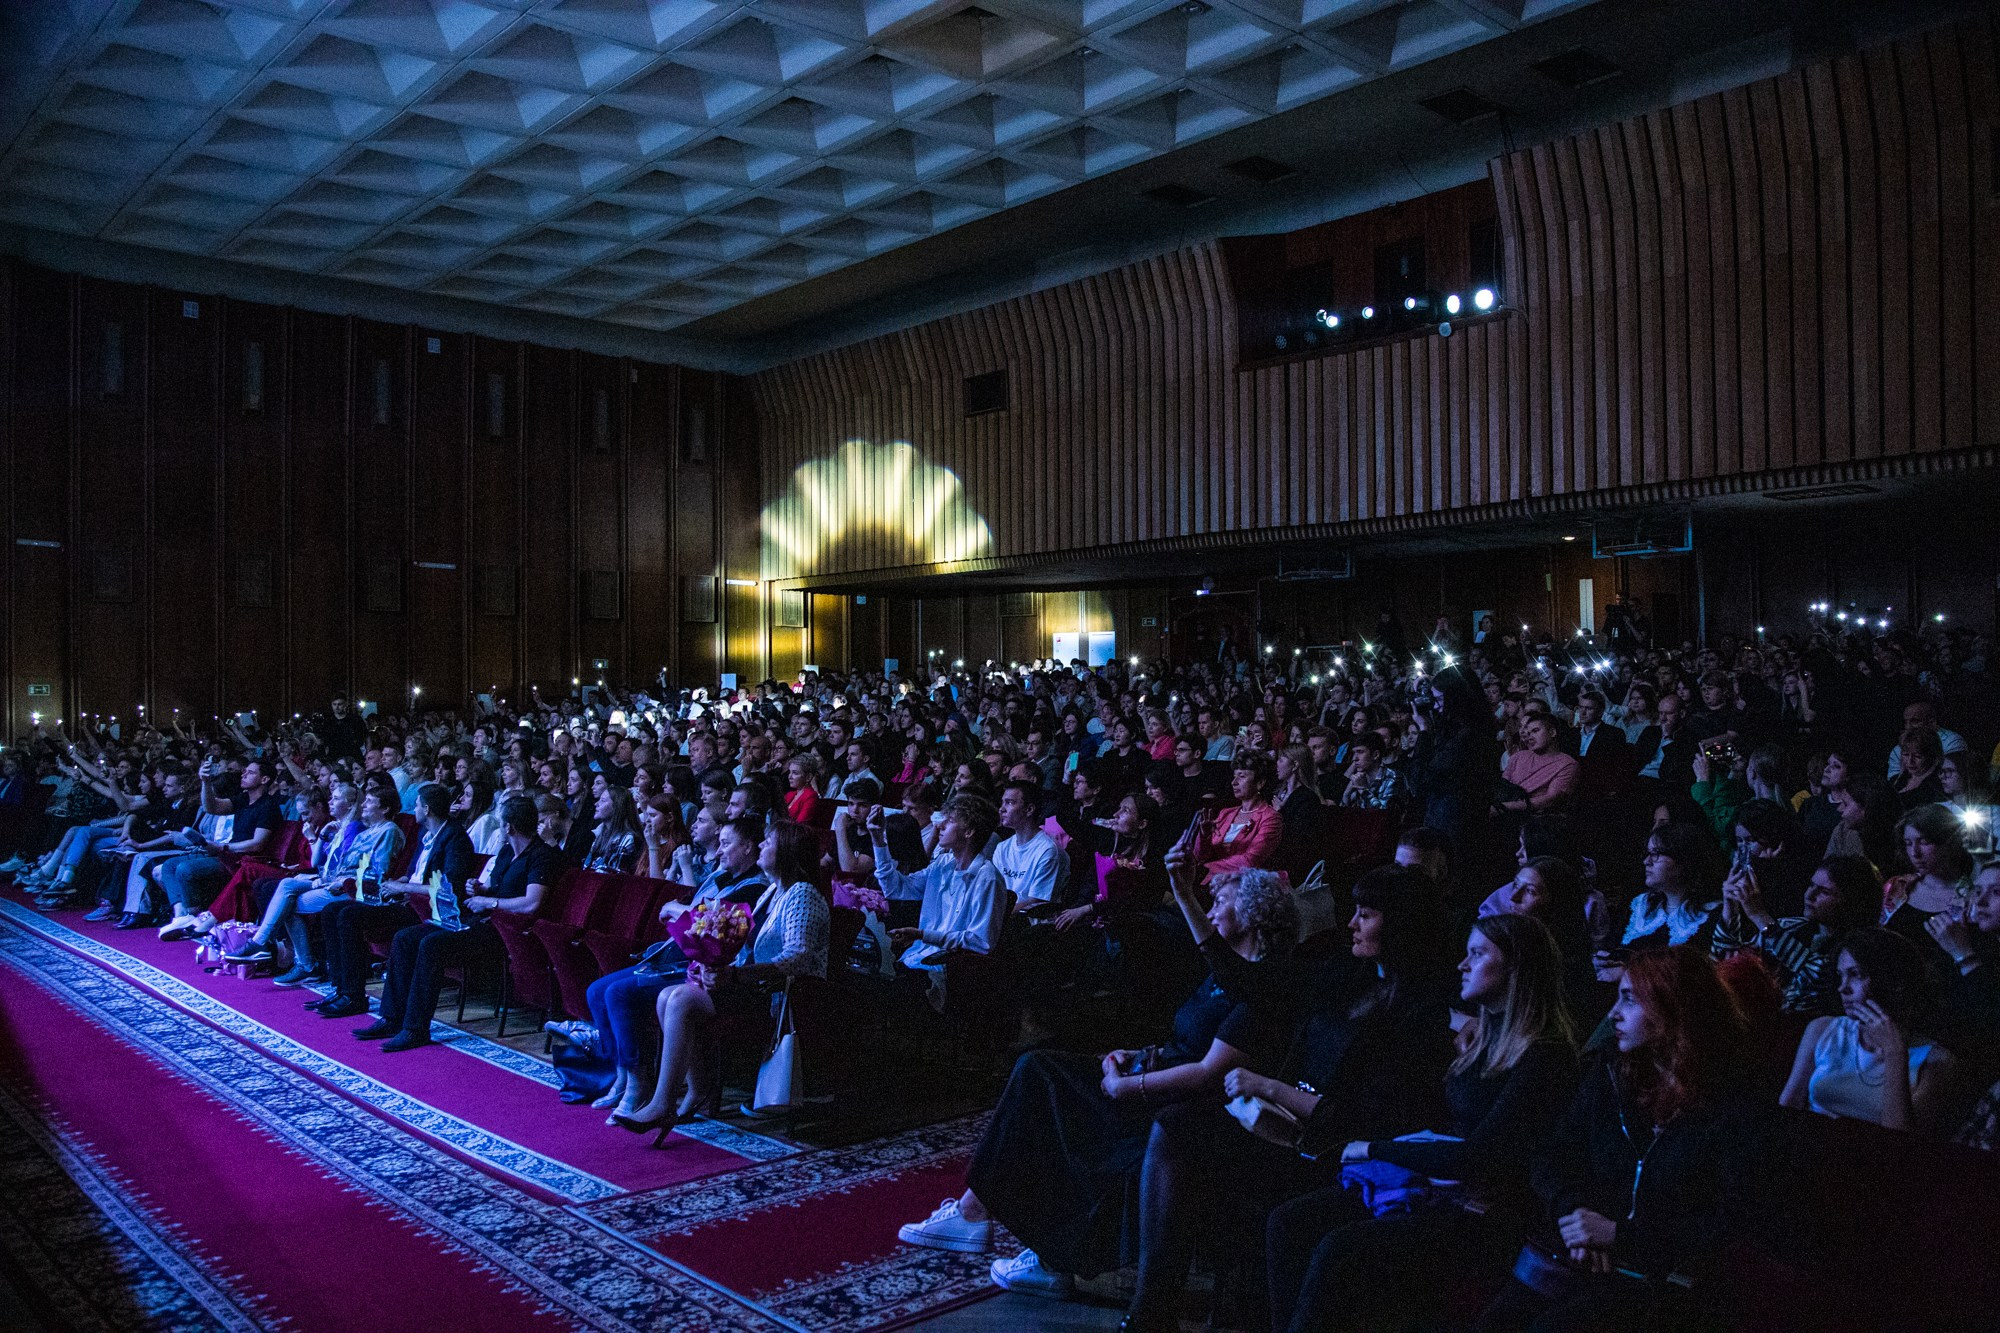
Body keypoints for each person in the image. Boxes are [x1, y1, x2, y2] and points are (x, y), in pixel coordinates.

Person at [895, 865, 1300, 1297]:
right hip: (1155, 1074)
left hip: (1182, 1106)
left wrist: (1129, 1086)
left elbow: (1209, 1074)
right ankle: (995, 1224)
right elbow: (1185, 1038)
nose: (1213, 912)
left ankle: (1027, 1245)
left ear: (1254, 913)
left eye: (1222, 902)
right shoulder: (1223, 975)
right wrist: (1137, 1055)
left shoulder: (1263, 988)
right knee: (1039, 1070)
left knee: (1047, 1090)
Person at [1122, 866, 1455, 1331]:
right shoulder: (1349, 972)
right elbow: (1251, 984)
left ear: (1399, 924)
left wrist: (1268, 1087)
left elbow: (1369, 1119)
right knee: (1177, 1122)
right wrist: (1188, 903)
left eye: (1366, 915)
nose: (1352, 924)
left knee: (1185, 1130)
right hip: (1289, 1126)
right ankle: (1152, 1311)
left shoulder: (1421, 1012)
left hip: (1337, 1150)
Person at [1266, 914, 1580, 1333]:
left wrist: (1370, 1148)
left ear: (1516, 968)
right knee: (1289, 1221)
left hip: (1488, 1212)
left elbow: (1480, 1156)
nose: (1461, 966)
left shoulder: (1546, 1055)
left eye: (1477, 954)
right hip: (1442, 1188)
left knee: (1338, 1249)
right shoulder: (1486, 1039)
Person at [1475, 947, 1762, 1333]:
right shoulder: (1613, 1073)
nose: (1613, 1015)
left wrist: (1617, 1235)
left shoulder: (1733, 1102)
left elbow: (1730, 1222)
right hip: (1582, 1253)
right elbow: (1551, 1155)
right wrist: (1574, 1215)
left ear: (1673, 1009)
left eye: (1629, 999)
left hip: (1662, 1276)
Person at [613, 820, 828, 1142]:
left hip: (784, 996)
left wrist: (737, 974)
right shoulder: (774, 889)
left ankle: (663, 1102)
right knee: (667, 996)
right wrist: (709, 964)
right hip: (755, 984)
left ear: (786, 852)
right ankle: (698, 1090)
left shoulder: (802, 893)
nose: (761, 846)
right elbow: (746, 944)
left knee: (682, 999)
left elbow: (797, 957)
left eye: (768, 842)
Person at [585, 816, 765, 1121]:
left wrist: (680, 911)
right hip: (675, 958)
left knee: (617, 993)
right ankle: (621, 1075)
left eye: (726, 844)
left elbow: (712, 920)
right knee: (596, 990)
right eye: (718, 844)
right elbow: (693, 911)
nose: (719, 852)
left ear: (748, 847)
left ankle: (638, 1080)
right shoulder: (721, 875)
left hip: (695, 969)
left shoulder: (754, 886)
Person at [353, 795, 557, 1052]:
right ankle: (392, 1018)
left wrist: (489, 902)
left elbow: (531, 903)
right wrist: (480, 888)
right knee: (405, 938)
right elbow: (496, 888)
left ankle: (415, 1028)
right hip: (480, 919)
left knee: (432, 944)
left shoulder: (542, 856)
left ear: (509, 827)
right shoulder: (507, 852)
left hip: (506, 932)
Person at [310, 783, 473, 1019]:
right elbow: (413, 872)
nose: (413, 809)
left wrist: (402, 887)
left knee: (349, 915)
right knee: (333, 909)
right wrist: (394, 885)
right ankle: (341, 988)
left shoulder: (455, 839)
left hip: (426, 908)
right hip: (407, 898)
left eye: (416, 805)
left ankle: (354, 995)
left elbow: (449, 888)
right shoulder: (425, 834)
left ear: (426, 809)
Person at [1781, 928, 1958, 1133]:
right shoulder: (1823, 1029)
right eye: (1840, 976)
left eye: (1855, 974)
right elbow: (1787, 1109)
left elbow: (1901, 1142)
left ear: (1892, 980)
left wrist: (1894, 1053)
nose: (1842, 988)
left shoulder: (1936, 1062)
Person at [225, 784, 404, 985]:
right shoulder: (365, 832)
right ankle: (272, 948)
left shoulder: (387, 831)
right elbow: (335, 864)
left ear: (385, 808)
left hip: (352, 888)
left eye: (369, 801)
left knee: (286, 903)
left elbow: (378, 871)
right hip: (335, 881)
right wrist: (323, 841)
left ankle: (296, 960)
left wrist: (337, 880)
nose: (364, 804)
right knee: (285, 887)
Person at [871, 793, 1006, 1006]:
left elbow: (980, 942)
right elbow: (896, 889)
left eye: (950, 821)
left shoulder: (987, 877)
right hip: (919, 956)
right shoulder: (943, 863)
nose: (940, 825)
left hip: (949, 968)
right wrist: (879, 840)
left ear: (969, 832)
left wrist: (923, 935)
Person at [1712, 854, 1883, 1016]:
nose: (1809, 895)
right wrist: (1730, 907)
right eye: (1811, 885)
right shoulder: (1791, 926)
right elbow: (1723, 960)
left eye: (1824, 891)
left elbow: (1819, 976)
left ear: (1851, 901)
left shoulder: (1861, 946)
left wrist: (1759, 915)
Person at [1193, 752, 1283, 881]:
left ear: (1260, 783)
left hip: (1244, 886)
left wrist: (1208, 867)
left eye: (1241, 776)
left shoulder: (1271, 818)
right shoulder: (1226, 813)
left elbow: (1250, 861)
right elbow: (1201, 856)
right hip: (1214, 882)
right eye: (1234, 776)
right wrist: (1204, 836)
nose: (1234, 782)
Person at [583, 783, 644, 873]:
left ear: (617, 806)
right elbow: (586, 868)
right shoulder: (601, 835)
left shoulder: (628, 839)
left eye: (602, 800)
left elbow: (613, 878)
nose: (596, 804)